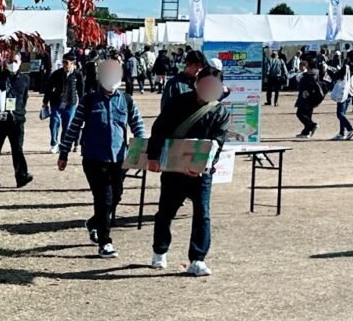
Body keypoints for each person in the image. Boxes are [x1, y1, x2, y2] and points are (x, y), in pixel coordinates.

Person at [56, 53, 146, 256]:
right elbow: (74, 127)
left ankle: (93, 223)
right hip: (94, 158)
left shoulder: (126, 100)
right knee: (103, 198)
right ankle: (105, 242)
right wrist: (64, 152)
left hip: (119, 158)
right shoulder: (89, 100)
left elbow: (138, 125)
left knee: (116, 195)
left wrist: (142, 147)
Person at [147, 63, 230, 275]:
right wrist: (153, 157)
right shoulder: (178, 103)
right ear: (197, 83)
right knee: (166, 211)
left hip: (201, 173)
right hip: (174, 170)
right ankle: (159, 251)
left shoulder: (220, 111)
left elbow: (218, 142)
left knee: (202, 214)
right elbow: (159, 130)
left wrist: (204, 165)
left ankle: (198, 259)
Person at [0, 51, 33, 188]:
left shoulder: (25, 79)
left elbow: (24, 97)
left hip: (17, 119)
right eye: (10, 61)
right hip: (1, 119)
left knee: (17, 148)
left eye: (15, 61)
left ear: (20, 62)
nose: (13, 64)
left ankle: (21, 176)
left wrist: (20, 111)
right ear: (6, 62)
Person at [43, 50, 83, 153]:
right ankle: (54, 143)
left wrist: (82, 105)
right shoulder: (57, 74)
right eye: (63, 62)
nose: (64, 65)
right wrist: (45, 102)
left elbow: (81, 91)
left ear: (73, 63)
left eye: (66, 62)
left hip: (70, 103)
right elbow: (49, 88)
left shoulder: (78, 75)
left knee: (67, 125)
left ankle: (63, 144)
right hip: (56, 102)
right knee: (54, 122)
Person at [328, 60, 353, 140]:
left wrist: (328, 70)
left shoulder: (346, 68)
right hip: (350, 93)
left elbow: (335, 76)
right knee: (342, 114)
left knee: (340, 114)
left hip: (344, 93)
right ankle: (342, 133)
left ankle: (350, 129)